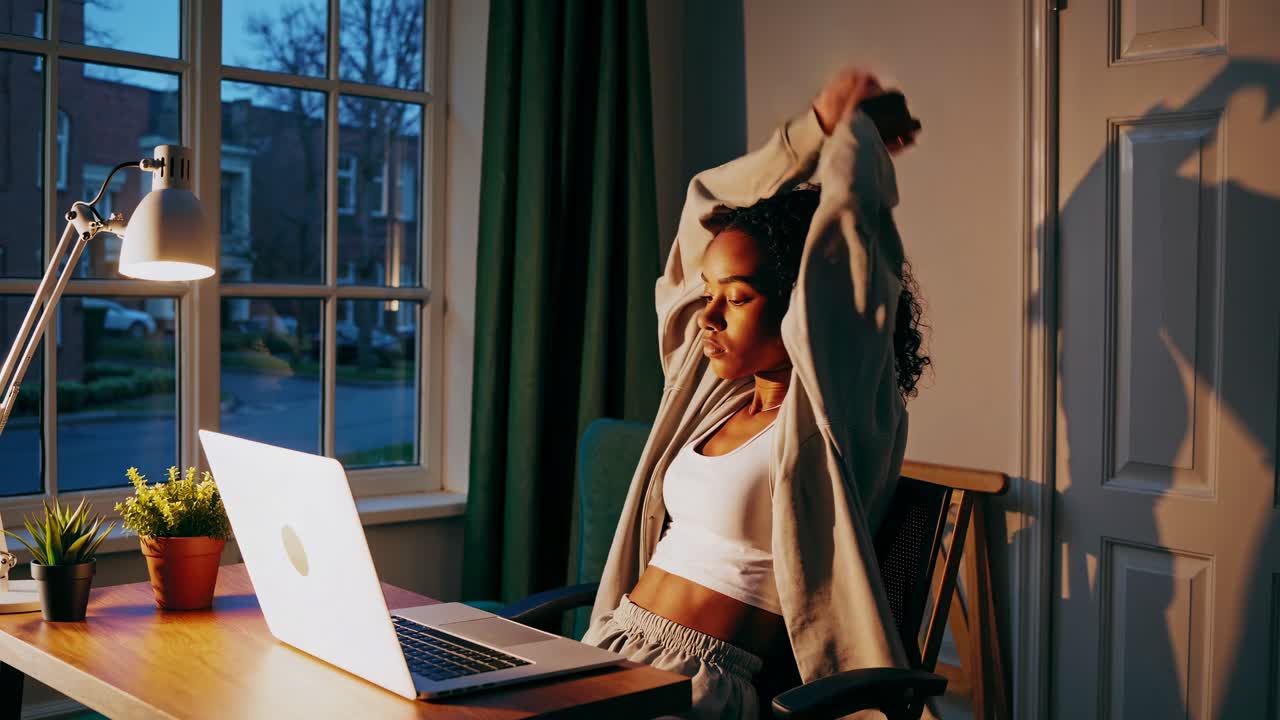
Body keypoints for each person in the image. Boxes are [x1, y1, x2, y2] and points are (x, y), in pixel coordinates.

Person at [580, 68, 930, 719]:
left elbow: (849, 238)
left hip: (695, 686)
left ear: (802, 302)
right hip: (609, 649)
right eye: (708, 293)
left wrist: (855, 135)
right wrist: (811, 132)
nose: (707, 316)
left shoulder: (833, 417)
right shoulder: (708, 394)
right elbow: (702, 203)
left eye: (737, 298)